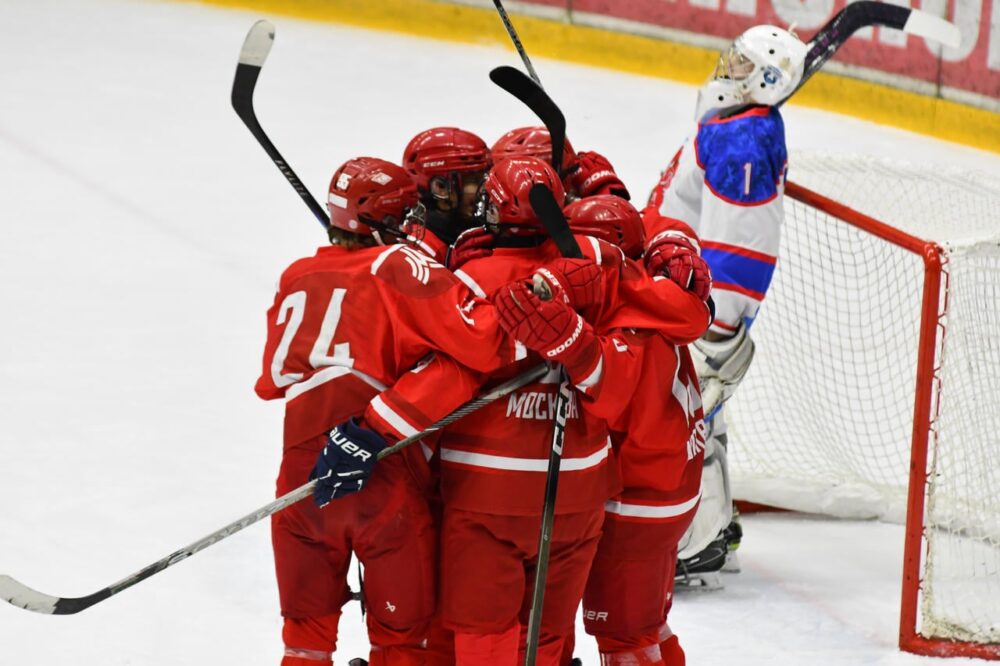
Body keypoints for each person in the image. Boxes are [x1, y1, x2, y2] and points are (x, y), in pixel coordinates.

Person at [255, 156, 516, 666]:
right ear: (386, 219)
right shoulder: (397, 265)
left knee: (304, 639)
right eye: (407, 214)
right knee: (402, 644)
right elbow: (482, 342)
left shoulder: (296, 275)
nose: (414, 223)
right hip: (383, 471)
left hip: (301, 479)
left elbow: (273, 381)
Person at [644, 24, 808, 581]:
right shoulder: (734, 124)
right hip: (682, 294)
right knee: (695, 414)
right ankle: (711, 530)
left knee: (684, 414)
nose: (728, 68)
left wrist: (715, 329)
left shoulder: (746, 142)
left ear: (766, 80)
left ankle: (697, 542)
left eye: (742, 64)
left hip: (700, 307)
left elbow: (742, 248)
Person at [555, 196, 711, 665]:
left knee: (626, 639)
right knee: (648, 626)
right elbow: (659, 217)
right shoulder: (657, 297)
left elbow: (606, 387)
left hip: (636, 507)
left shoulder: (625, 327)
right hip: (669, 494)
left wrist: (566, 341)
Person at [400, 127, 492, 263]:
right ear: (440, 187)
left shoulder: (465, 230)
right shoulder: (417, 249)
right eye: (473, 181)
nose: (485, 189)